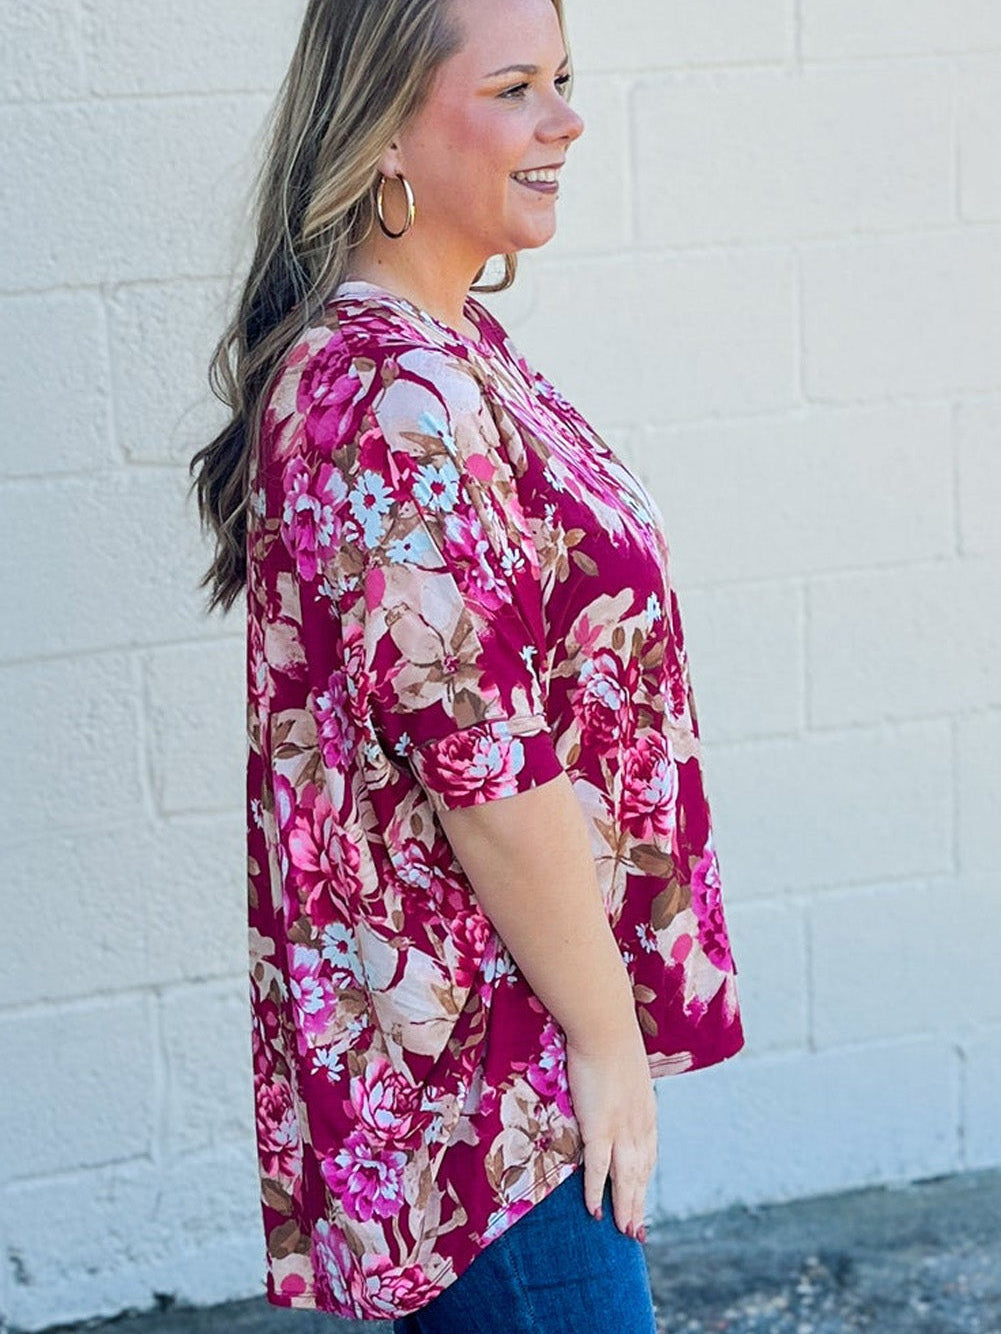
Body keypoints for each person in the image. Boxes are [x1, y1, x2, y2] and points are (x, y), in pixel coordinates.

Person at [188, 0, 745, 1327]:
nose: (564, 120)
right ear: (383, 131)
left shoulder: (446, 356)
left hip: (497, 1067)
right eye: (514, 88)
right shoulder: (391, 395)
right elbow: (485, 771)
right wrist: (605, 1046)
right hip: (486, 1101)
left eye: (562, 78)